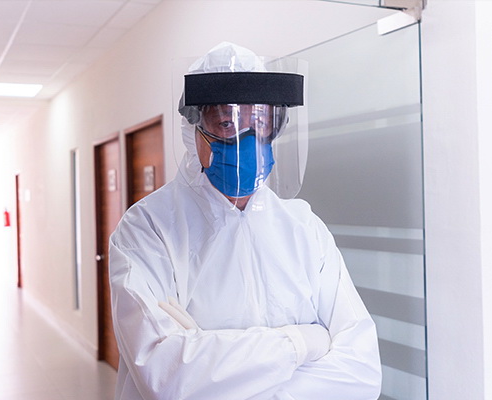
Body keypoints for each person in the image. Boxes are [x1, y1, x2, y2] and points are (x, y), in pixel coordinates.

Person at [108, 42, 382, 400]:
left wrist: (213, 362)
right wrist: (302, 342)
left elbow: (361, 372)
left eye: (262, 123)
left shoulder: (303, 227)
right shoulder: (148, 229)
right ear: (193, 130)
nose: (250, 138)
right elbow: (168, 378)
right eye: (227, 123)